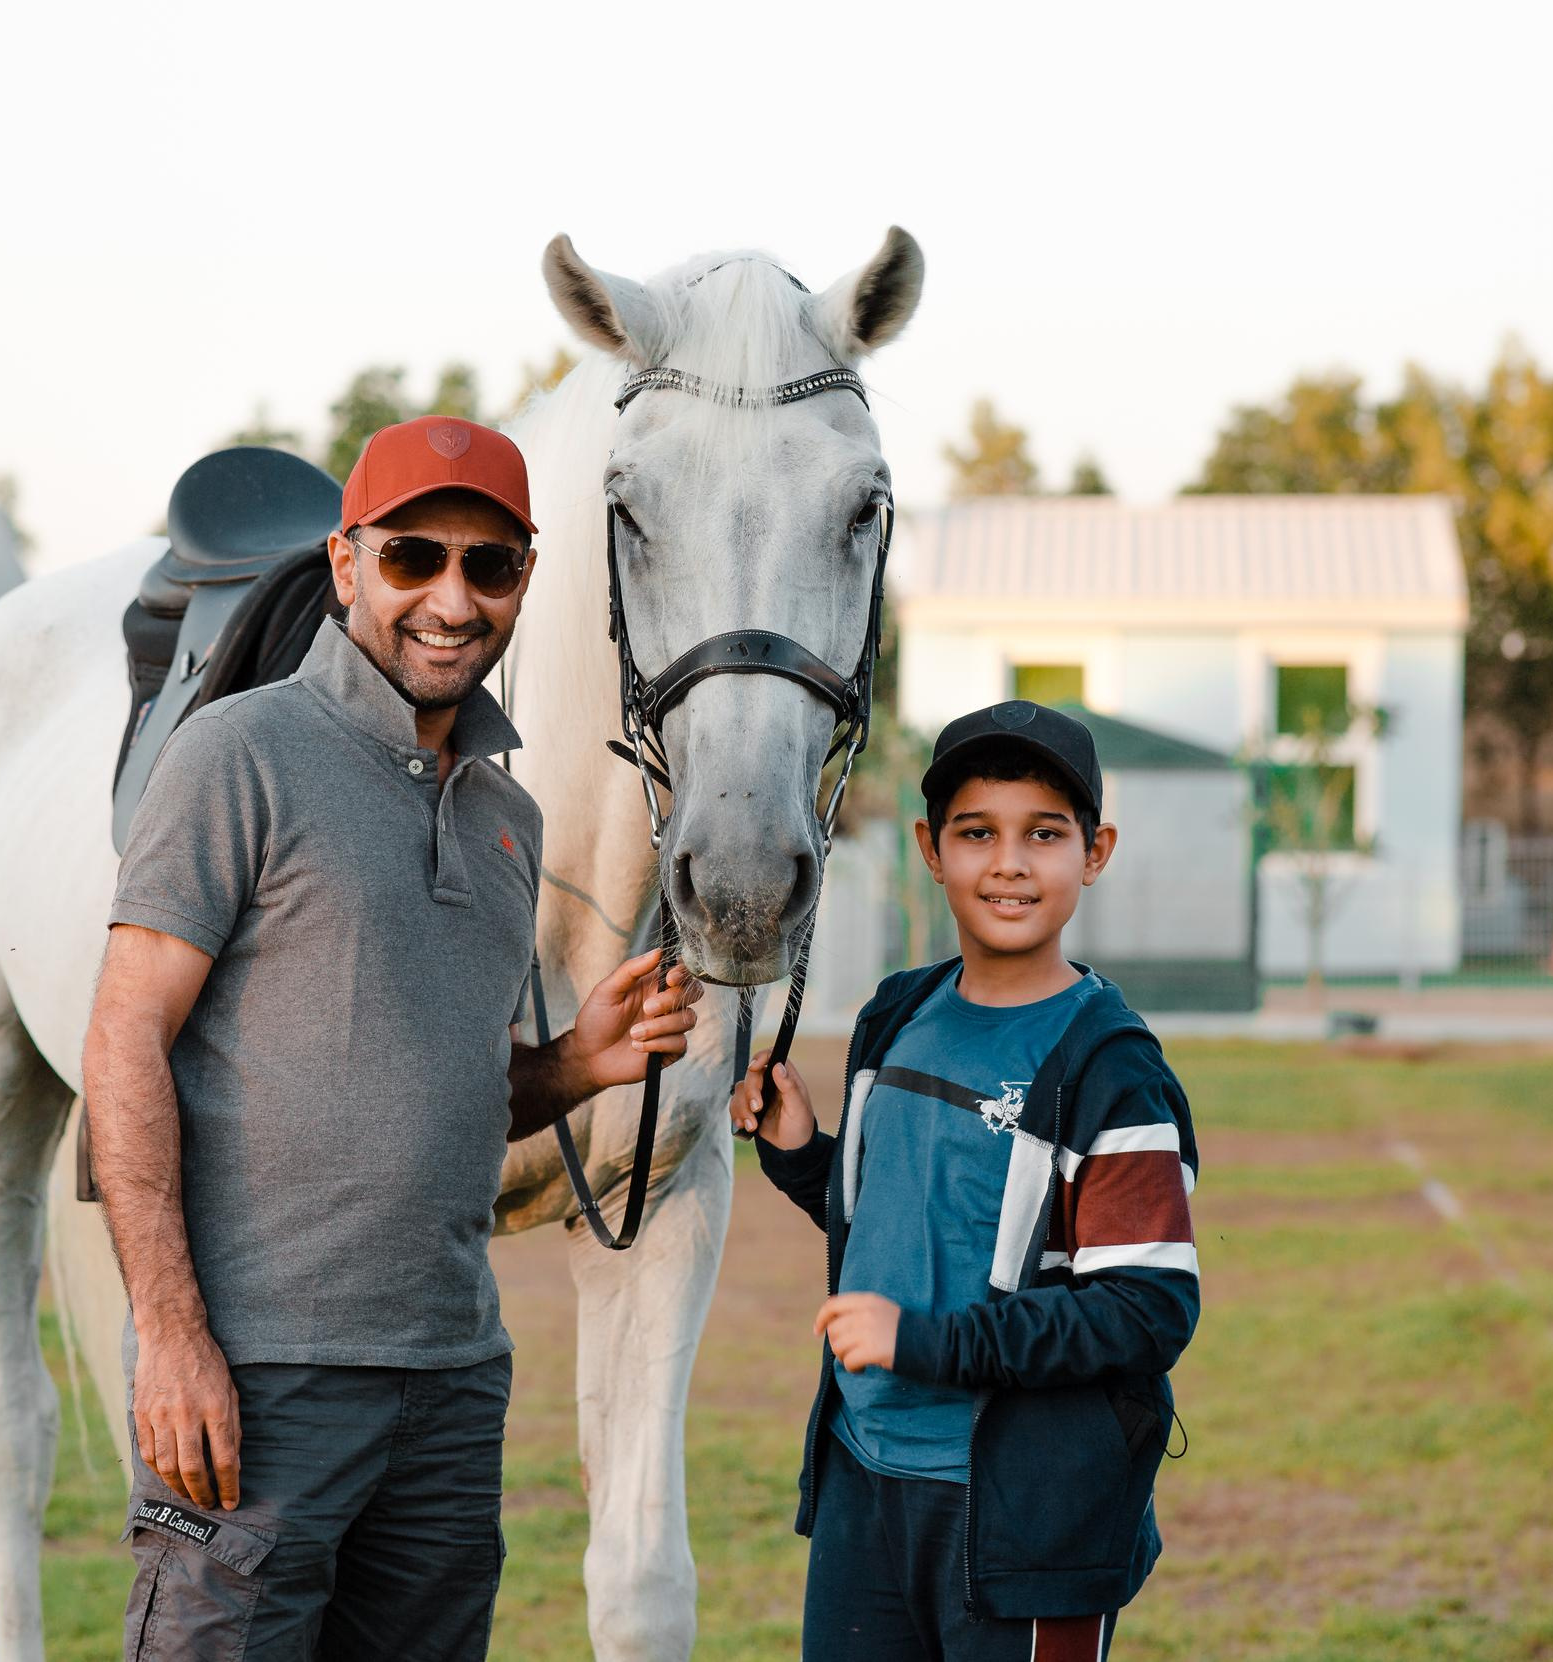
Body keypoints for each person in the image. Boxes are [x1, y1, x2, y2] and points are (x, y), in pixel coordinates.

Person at [84, 415, 703, 1662]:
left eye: (490, 565)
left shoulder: (507, 820)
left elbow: (450, 1085)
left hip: (451, 1384)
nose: (451, 598)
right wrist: (172, 1338)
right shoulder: (237, 755)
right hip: (259, 1379)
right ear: (347, 562)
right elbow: (122, 1044)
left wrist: (576, 1065)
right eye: (414, 556)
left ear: (525, 579)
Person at [731, 700, 1201, 1662]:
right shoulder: (896, 1014)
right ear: (931, 849)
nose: (1010, 863)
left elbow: (1146, 1310)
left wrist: (925, 1343)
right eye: (977, 832)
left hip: (1025, 1518)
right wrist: (800, 1152)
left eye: (1045, 834)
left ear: (1095, 850)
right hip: (866, 1475)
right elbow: (897, 1219)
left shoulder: (1110, 1067)